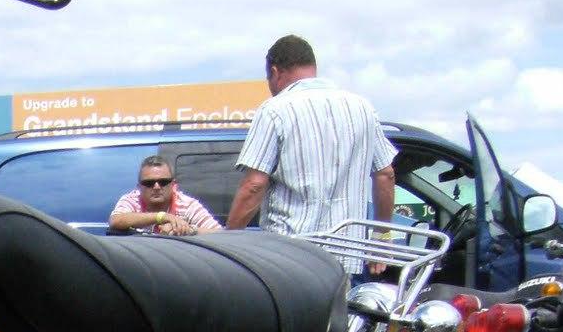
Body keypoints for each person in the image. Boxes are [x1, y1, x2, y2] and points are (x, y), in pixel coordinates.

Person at [226, 34, 397, 275]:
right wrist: (381, 235)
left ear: (275, 72)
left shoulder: (275, 109)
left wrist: (227, 243)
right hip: (344, 259)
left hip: (288, 258)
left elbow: (254, 185)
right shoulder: (362, 108)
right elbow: (385, 174)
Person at [108, 156, 222, 236]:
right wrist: (162, 216)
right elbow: (115, 220)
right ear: (139, 187)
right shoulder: (132, 200)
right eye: (149, 183)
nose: (156, 187)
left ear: (173, 185)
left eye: (163, 182)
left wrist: (187, 230)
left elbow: (220, 234)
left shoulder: (187, 205)